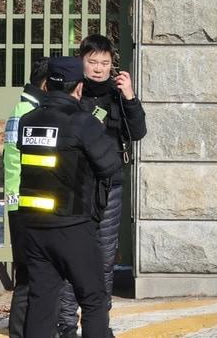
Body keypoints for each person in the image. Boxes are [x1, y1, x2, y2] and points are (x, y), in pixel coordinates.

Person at [16, 56, 122, 338]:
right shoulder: (83, 123)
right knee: (94, 298)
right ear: (79, 87)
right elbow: (111, 165)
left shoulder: (27, 122)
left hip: (34, 228)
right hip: (72, 225)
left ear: (47, 86)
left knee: (41, 300)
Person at [56, 35, 145, 337]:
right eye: (92, 62)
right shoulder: (70, 91)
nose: (98, 68)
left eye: (104, 63)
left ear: (112, 65)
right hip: (76, 186)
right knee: (72, 256)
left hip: (110, 186)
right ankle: (66, 325)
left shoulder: (117, 94)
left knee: (105, 260)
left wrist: (130, 97)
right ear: (81, 61)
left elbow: (137, 131)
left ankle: (98, 325)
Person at [3, 58, 50, 338]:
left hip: (20, 201)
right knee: (28, 274)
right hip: (25, 203)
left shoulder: (25, 109)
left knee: (28, 273)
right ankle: (20, 332)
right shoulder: (28, 113)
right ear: (46, 85)